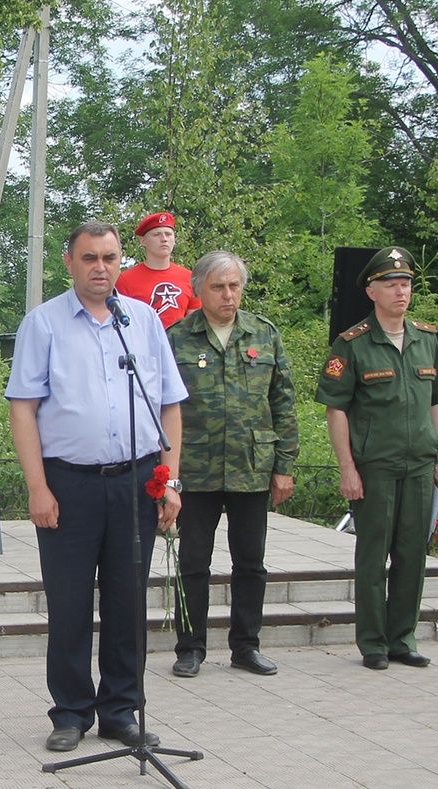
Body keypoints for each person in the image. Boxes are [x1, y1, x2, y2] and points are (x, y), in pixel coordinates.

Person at [6, 221, 186, 752]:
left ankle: (120, 710)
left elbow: (169, 404)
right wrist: (37, 487)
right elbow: (24, 409)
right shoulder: (43, 324)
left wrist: (171, 479)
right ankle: (70, 712)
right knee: (69, 604)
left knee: (129, 603)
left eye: (109, 257)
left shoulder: (144, 321)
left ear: (121, 260)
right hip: (70, 483)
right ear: (70, 262)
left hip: (136, 482)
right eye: (90, 258)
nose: (100, 267)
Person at [316, 246, 438, 671]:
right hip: (374, 467)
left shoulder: (425, 339)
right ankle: (373, 643)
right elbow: (335, 410)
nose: (401, 290)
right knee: (373, 557)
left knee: (413, 555)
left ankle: (402, 639)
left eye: (407, 283)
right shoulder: (352, 344)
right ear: (371, 291)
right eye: (391, 284)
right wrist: (347, 470)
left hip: (418, 466)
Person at [165, 251, 299, 678]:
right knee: (193, 564)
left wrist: (284, 465)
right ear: (198, 289)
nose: (228, 295)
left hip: (250, 467)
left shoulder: (264, 333)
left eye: (234, 286)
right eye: (218, 287)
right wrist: (164, 474)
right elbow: (159, 405)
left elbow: (283, 402)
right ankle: (190, 648)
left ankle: (246, 646)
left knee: (250, 563)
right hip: (196, 469)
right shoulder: (177, 337)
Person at [114, 211, 201, 328]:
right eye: (157, 234)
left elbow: (194, 324)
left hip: (178, 345)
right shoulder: (124, 280)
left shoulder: (190, 277)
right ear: (143, 241)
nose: (164, 239)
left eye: (168, 234)